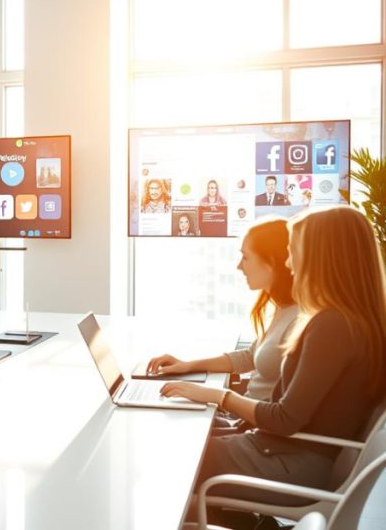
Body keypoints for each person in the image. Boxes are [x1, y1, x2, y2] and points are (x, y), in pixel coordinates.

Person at [162, 206, 386, 512]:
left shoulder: (332, 326)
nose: (289, 263)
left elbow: (283, 419)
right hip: (287, 453)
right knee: (178, 438)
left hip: (290, 463)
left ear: (322, 257)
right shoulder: (351, 321)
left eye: (294, 252)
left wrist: (218, 396)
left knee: (165, 451)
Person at [148, 218, 299, 405]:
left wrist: (209, 394)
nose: (239, 266)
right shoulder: (281, 309)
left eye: (245, 257)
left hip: (254, 425)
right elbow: (250, 357)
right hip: (245, 420)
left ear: (271, 262)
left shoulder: (297, 320)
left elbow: (281, 415)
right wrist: (187, 365)